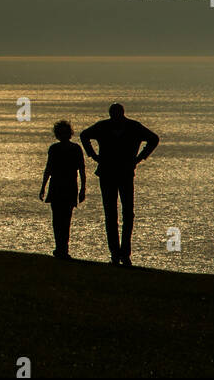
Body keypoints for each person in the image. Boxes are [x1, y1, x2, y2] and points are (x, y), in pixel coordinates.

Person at [80, 103, 159, 266]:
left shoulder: (132, 127)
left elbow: (154, 139)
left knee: (127, 214)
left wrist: (140, 157)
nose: (115, 116)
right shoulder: (104, 126)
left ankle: (124, 253)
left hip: (124, 173)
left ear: (121, 113)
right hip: (108, 173)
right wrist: (93, 155)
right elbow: (84, 135)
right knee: (111, 214)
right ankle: (116, 254)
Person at [40, 120, 86, 260]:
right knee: (59, 219)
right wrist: (43, 187)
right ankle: (60, 247)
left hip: (68, 186)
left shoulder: (75, 149)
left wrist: (83, 188)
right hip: (58, 185)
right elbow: (48, 169)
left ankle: (62, 248)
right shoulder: (55, 149)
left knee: (64, 219)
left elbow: (82, 170)